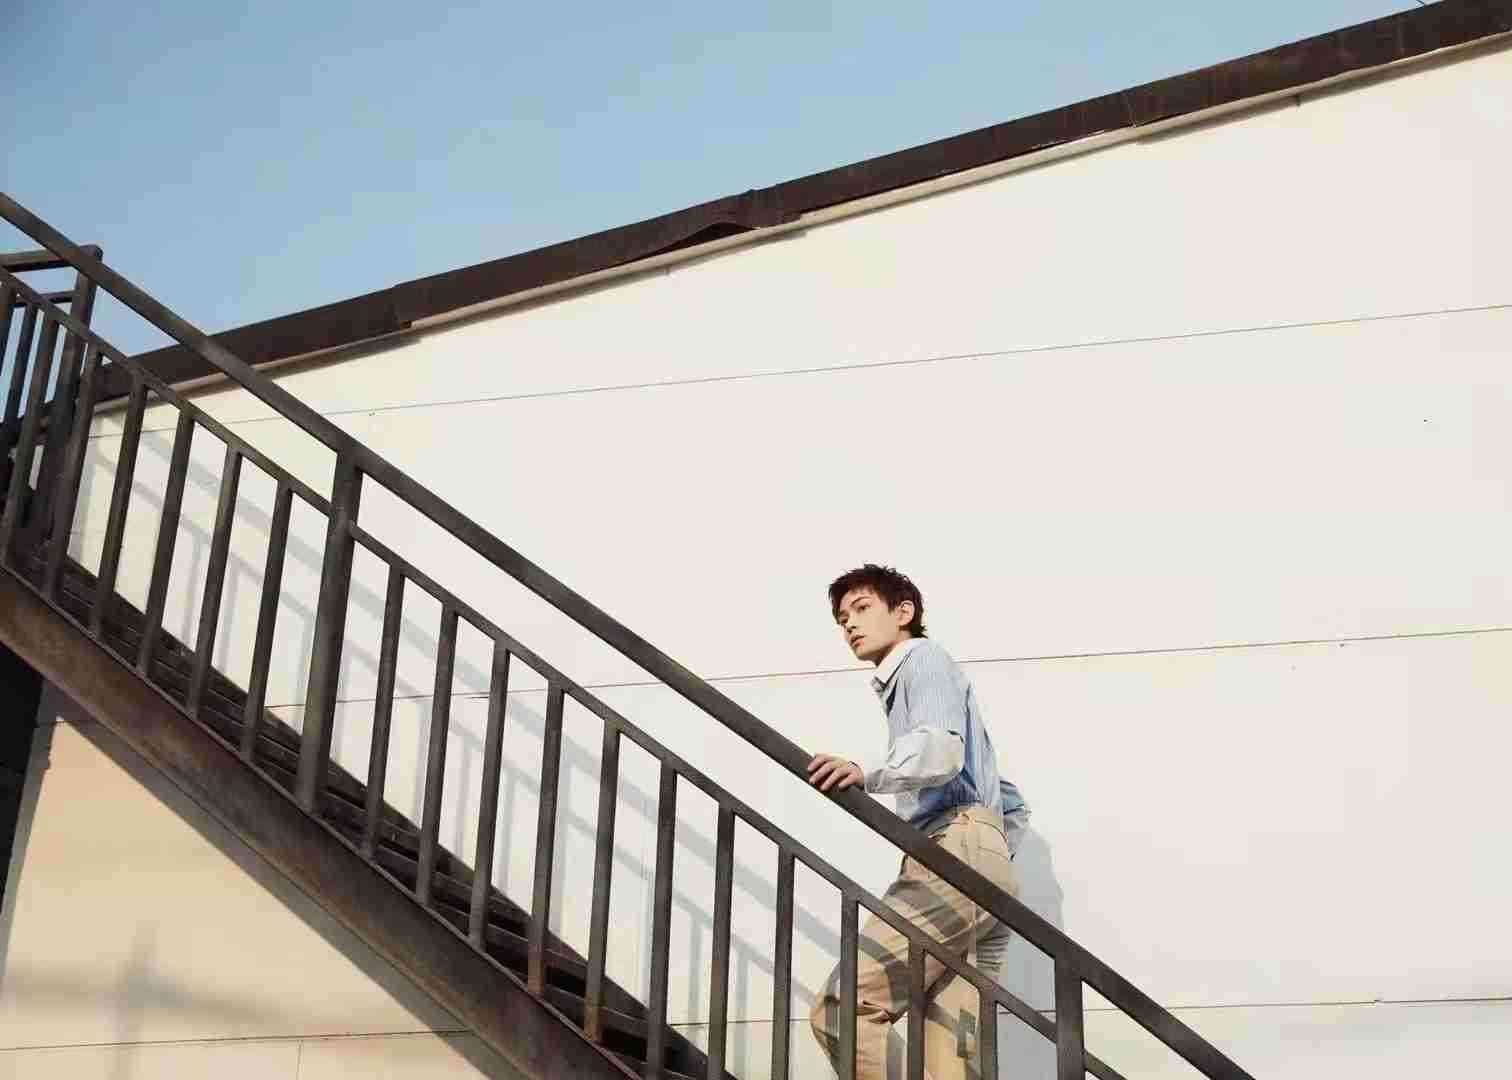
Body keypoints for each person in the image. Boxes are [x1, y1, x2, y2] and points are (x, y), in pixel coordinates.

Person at [806, 564, 1029, 1079]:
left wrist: (866, 771)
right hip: (983, 868)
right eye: (841, 619)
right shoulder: (934, 682)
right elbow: (1012, 804)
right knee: (949, 1063)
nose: (849, 624)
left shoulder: (920, 659)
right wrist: (989, 851)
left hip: (955, 854)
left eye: (862, 608)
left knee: (844, 1010)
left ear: (903, 612)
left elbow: (940, 751)